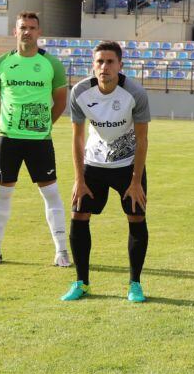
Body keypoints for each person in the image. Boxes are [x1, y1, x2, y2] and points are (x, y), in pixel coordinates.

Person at [0, 12, 71, 267]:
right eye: (22, 28)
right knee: (1, 194)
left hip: (39, 140)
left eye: (32, 28)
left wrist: (44, 125)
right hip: (8, 140)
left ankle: (61, 252)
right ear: (15, 32)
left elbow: (60, 102)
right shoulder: (0, 63)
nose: (27, 32)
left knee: (51, 194)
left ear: (39, 32)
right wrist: (6, 123)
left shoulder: (52, 64)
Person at [61, 41, 151, 303]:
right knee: (79, 215)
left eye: (110, 62)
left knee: (136, 219)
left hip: (127, 166)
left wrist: (136, 182)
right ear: (93, 65)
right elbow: (77, 139)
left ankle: (135, 284)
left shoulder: (135, 93)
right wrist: (79, 179)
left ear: (120, 66)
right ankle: (82, 283)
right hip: (94, 165)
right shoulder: (80, 92)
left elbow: (143, 141)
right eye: (99, 62)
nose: (104, 67)